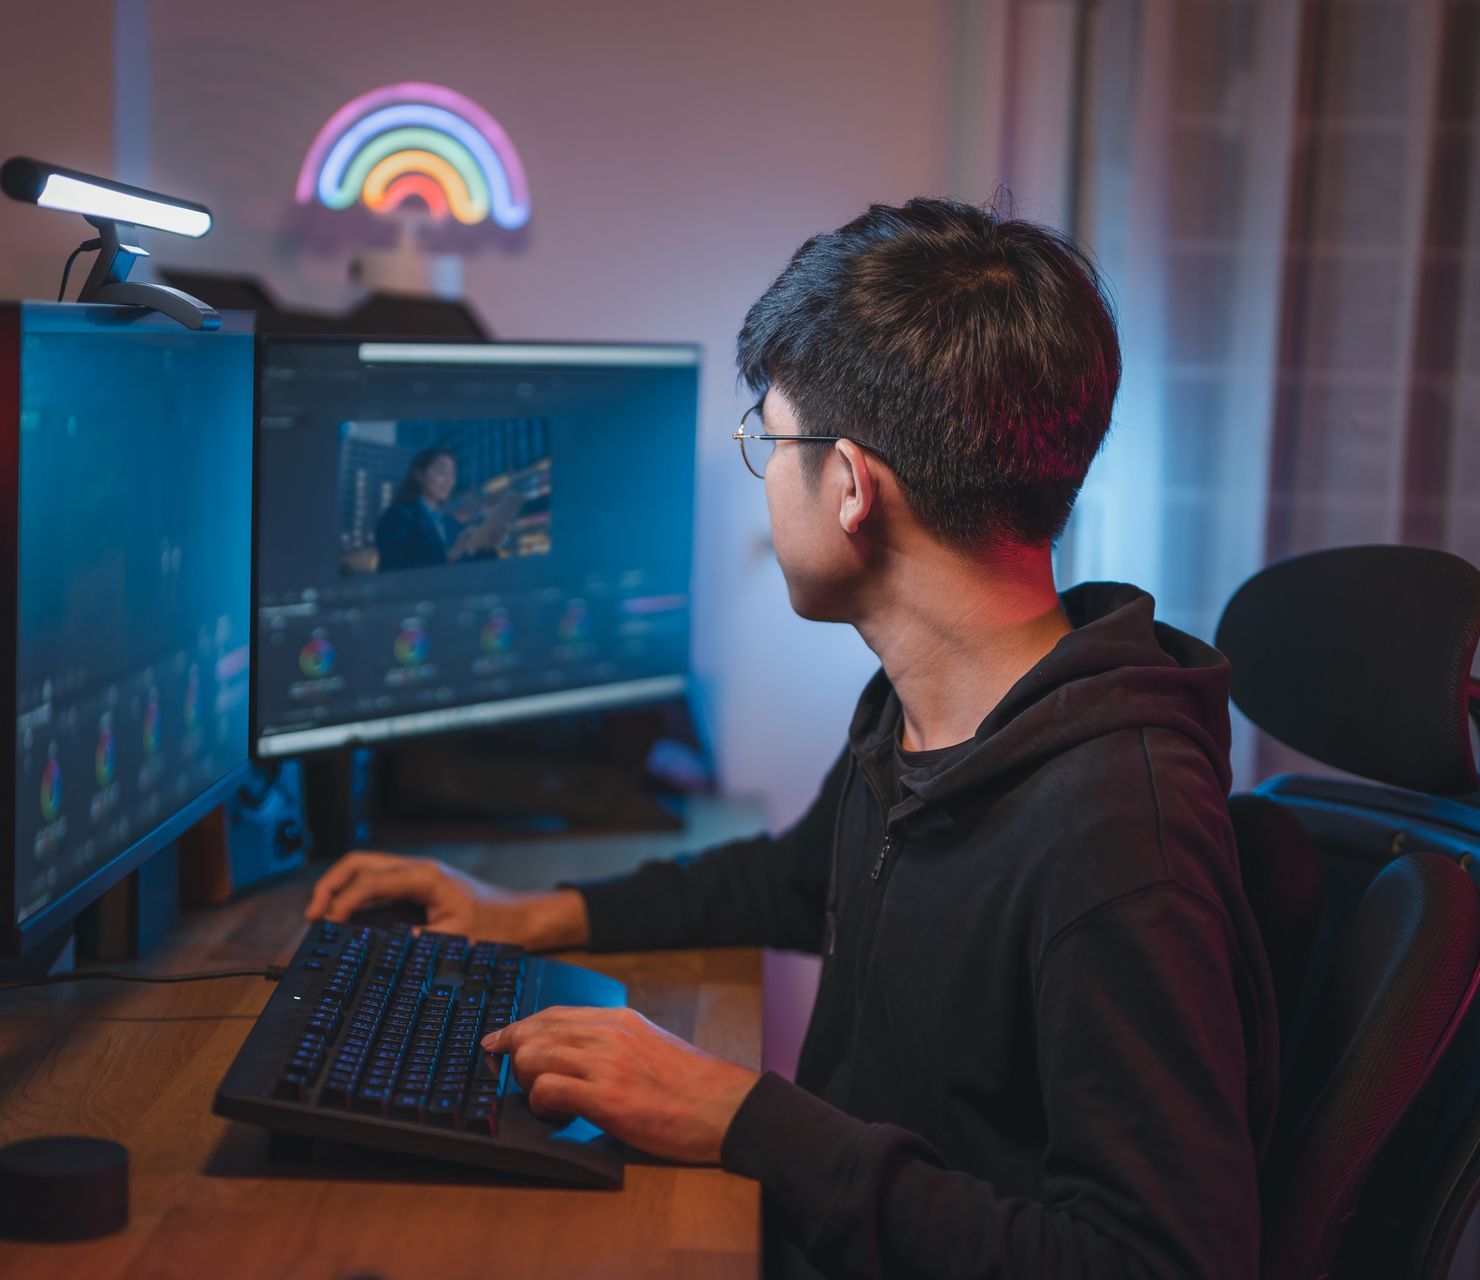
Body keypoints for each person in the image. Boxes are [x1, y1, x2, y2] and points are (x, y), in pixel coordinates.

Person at [307, 198, 1278, 1279]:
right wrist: (529, 913)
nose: (762, 471)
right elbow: (791, 877)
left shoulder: (1113, 836)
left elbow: (1163, 1262)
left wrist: (743, 1115)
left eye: (769, 436)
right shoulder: (934, 707)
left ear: (852, 486)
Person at [373, 446, 493, 572]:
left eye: (452, 475)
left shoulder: (452, 523)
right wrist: (448, 556)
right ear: (419, 475)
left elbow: (470, 568)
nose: (448, 481)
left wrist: (487, 546)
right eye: (441, 472)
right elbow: (393, 567)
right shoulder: (397, 517)